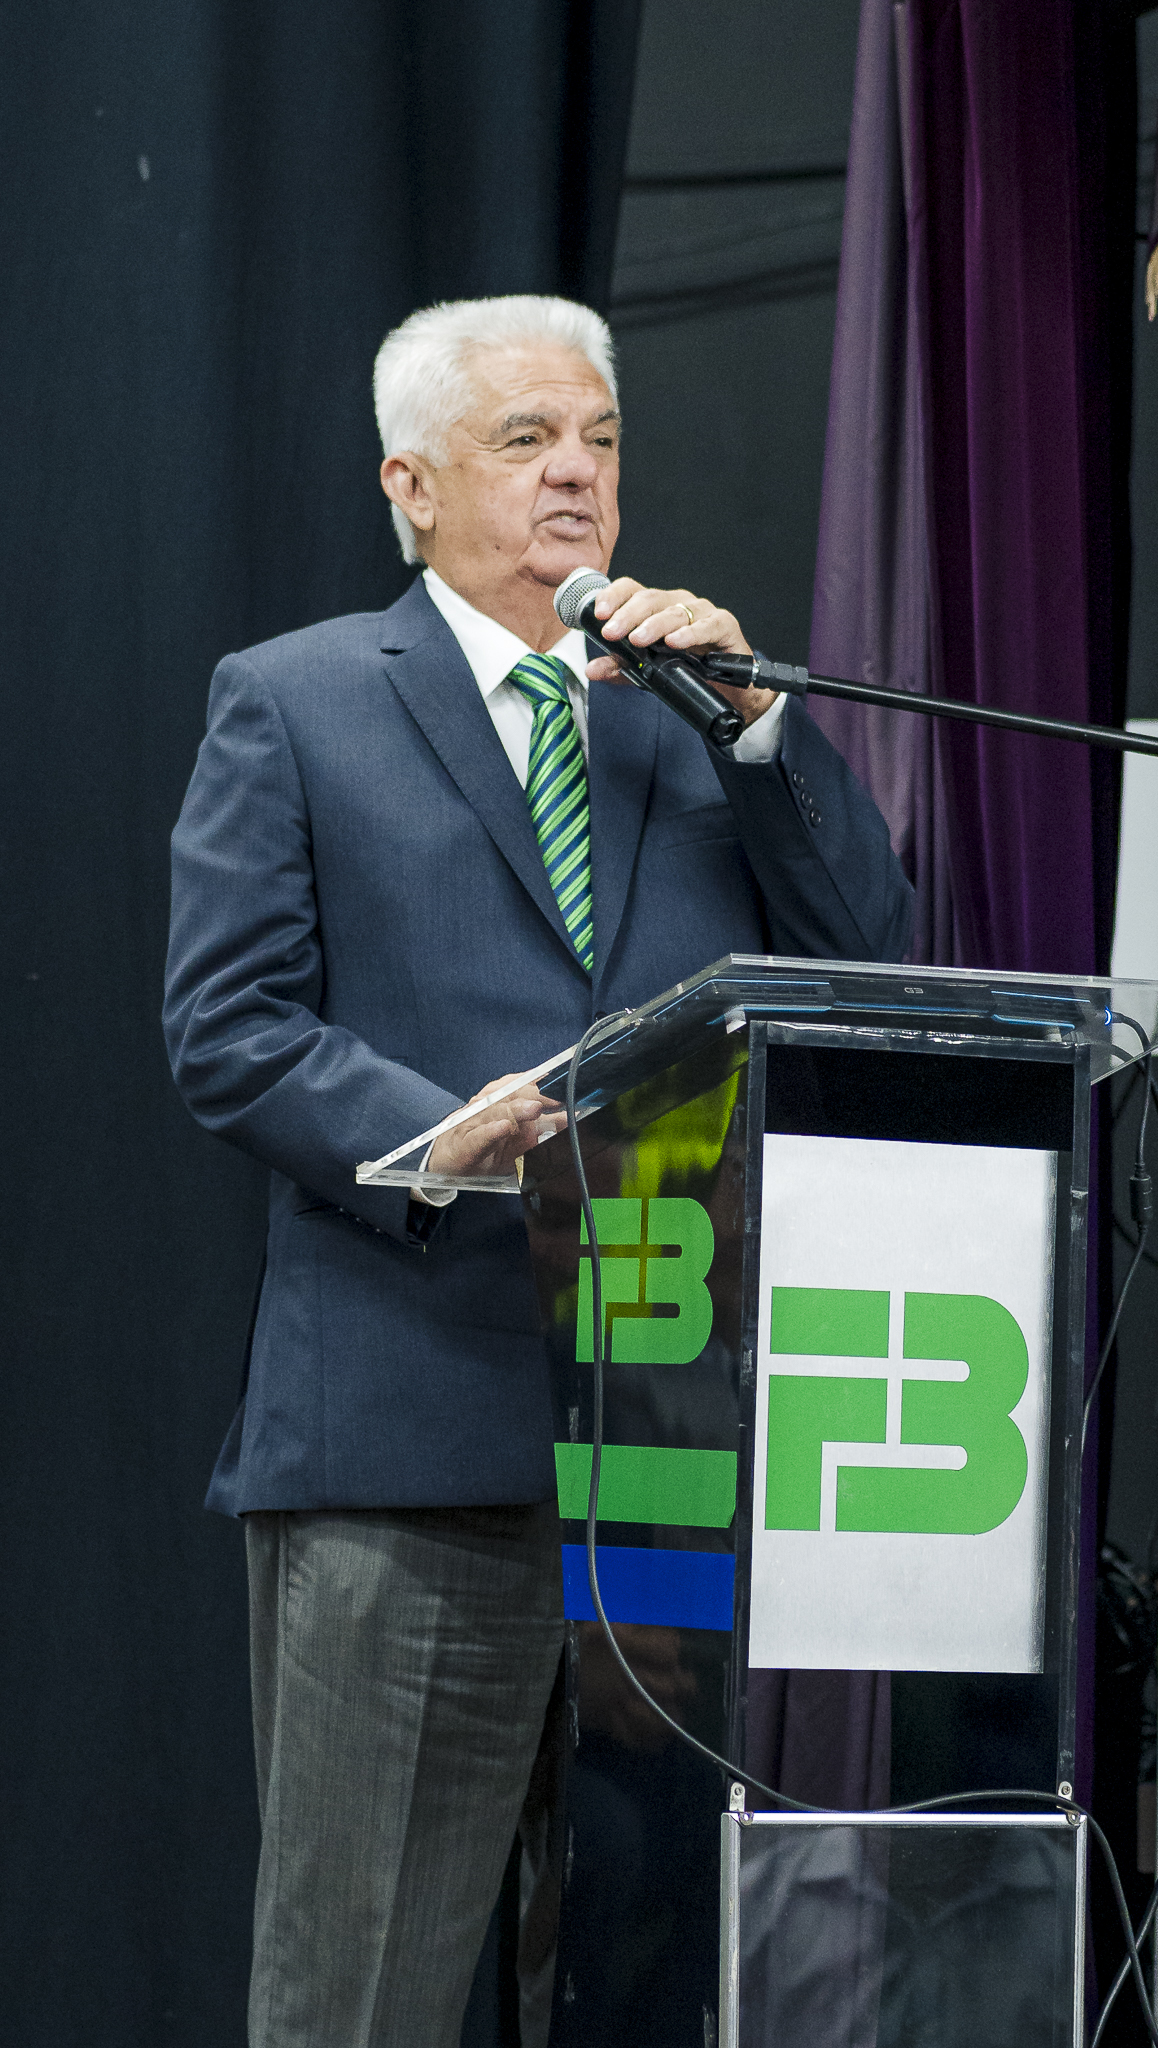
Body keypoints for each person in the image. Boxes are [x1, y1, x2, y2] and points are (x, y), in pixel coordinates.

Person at [164, 293, 913, 2048]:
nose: (577, 473)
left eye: (601, 440)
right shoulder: (296, 701)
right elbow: (229, 1026)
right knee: (364, 1991)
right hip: (407, 1443)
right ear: (411, 486)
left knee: (637, 1985)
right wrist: (439, 1135)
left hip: (661, 1452)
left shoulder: (685, 720)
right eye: (525, 440)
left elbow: (869, 959)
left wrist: (754, 721)